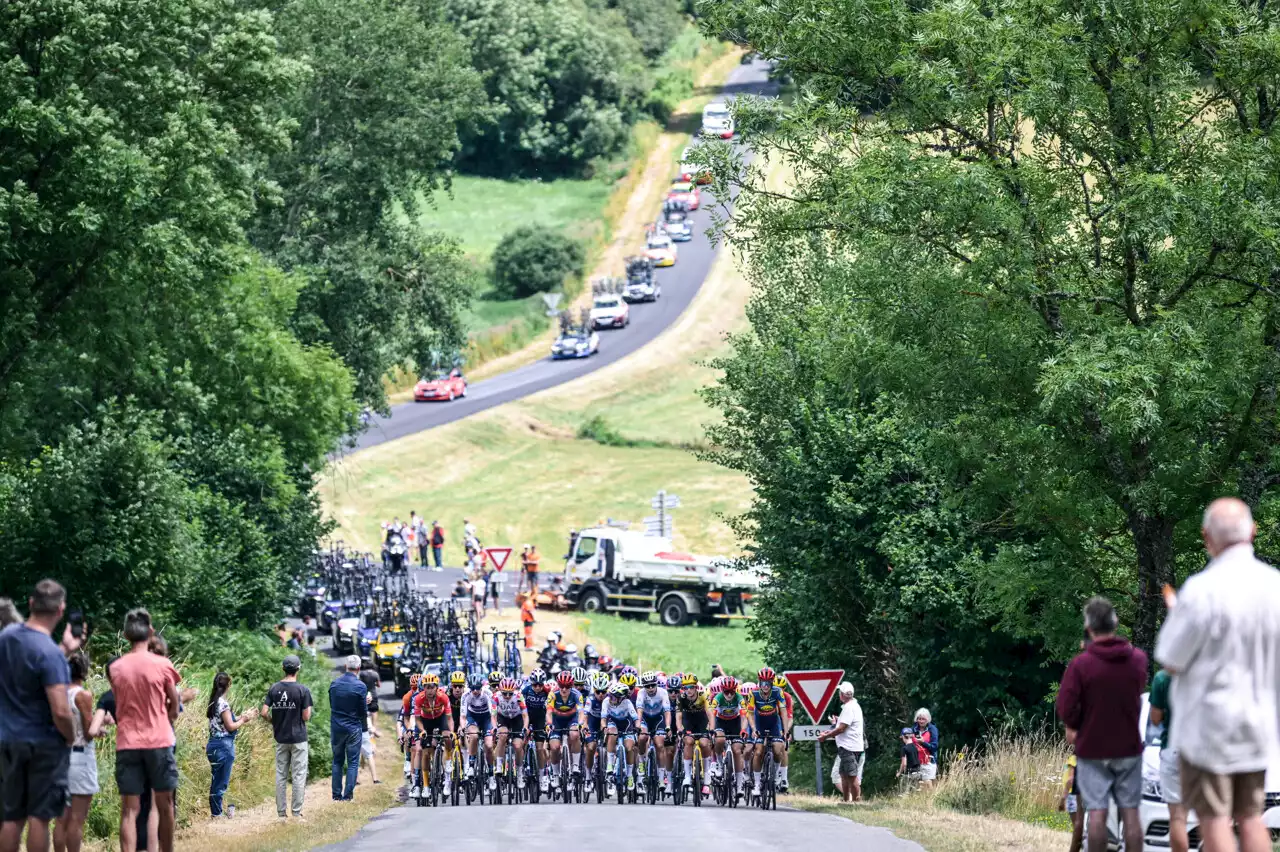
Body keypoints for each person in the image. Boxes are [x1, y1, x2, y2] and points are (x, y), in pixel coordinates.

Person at [1155, 497, 1280, 852]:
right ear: (1254, 532)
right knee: (1251, 815)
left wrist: (1175, 614)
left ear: (1206, 537)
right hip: (1259, 722)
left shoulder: (1201, 590)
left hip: (1209, 726)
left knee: (1214, 817)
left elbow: (1170, 658)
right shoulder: (1276, 587)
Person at [1055, 596, 1147, 852]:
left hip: (1093, 747)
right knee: (1131, 813)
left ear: (1089, 627)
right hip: (1128, 746)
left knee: (1096, 813)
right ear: (1115, 623)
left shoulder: (1081, 665)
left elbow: (1065, 706)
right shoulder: (1137, 659)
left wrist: (1075, 725)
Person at [0, 580, 77, 852]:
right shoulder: (49, 653)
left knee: (11, 817)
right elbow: (60, 710)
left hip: (8, 739)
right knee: (39, 817)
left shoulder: (7, 638)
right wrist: (70, 736)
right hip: (42, 745)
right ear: (61, 609)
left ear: (31, 603)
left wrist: (65, 649)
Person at [111, 609, 181, 852]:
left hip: (127, 742)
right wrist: (167, 718)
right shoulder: (163, 664)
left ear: (127, 635)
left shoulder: (117, 668)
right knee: (165, 804)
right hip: (158, 740)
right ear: (151, 632)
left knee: (129, 810)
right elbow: (174, 702)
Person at [53, 653, 97, 852]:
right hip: (80, 757)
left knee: (61, 819)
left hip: (59, 757)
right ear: (84, 671)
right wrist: (100, 723)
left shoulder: (57, 695)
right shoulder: (82, 695)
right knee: (77, 819)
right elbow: (88, 733)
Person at [262, 655, 312, 821]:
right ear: (298, 669)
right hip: (298, 738)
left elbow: (263, 712)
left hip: (281, 738)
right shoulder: (302, 690)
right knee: (298, 775)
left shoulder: (274, 688)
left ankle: (281, 814)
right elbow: (306, 716)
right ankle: (296, 813)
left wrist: (273, 722)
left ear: (283, 668)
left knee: (280, 775)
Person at [206, 672, 258, 817]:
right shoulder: (224, 704)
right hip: (224, 746)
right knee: (221, 783)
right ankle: (217, 814)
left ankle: (217, 812)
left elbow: (223, 723)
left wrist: (244, 715)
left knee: (216, 780)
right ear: (228, 685)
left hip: (213, 744)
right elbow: (230, 726)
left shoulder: (214, 702)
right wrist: (244, 720)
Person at [1148, 668, 1188, 852]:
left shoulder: (1163, 678)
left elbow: (1155, 719)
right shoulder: (1208, 670)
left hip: (1172, 748)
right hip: (1203, 751)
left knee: (1178, 817)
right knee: (1211, 818)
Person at [329, 655, 368, 801]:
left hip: (337, 726)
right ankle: (348, 795)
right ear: (358, 668)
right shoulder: (360, 686)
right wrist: (366, 702)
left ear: (346, 666)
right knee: (352, 762)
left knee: (337, 760)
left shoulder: (334, 684)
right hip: (353, 726)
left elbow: (332, 705)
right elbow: (363, 712)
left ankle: (336, 795)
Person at [817, 682, 864, 802]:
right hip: (847, 747)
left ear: (842, 694)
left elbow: (841, 728)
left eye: (840, 693)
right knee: (843, 775)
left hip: (849, 747)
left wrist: (826, 736)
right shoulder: (853, 706)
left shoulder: (849, 708)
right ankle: (846, 800)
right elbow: (842, 725)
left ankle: (856, 802)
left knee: (852, 776)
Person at [1058, 751, 1084, 852]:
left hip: (1072, 796)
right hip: (1081, 795)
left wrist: (1063, 799)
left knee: (1077, 828)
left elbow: (1070, 780)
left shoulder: (1073, 758)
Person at [912, 708, 940, 790]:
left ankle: (930, 800)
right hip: (916, 760)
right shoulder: (913, 729)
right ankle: (922, 801)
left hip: (929, 760)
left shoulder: (932, 729)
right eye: (919, 719)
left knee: (927, 782)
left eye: (923, 719)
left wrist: (923, 742)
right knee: (918, 784)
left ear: (927, 719)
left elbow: (934, 747)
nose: (921, 721)